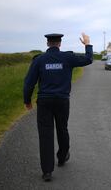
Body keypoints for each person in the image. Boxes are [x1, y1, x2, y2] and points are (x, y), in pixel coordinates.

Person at [23, 32, 93, 182]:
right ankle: (62, 157)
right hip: (62, 101)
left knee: (45, 135)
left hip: (44, 102)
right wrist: (87, 44)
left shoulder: (39, 60)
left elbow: (29, 83)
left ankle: (47, 171)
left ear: (48, 44)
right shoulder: (67, 57)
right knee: (62, 128)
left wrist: (27, 100)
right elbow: (88, 59)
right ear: (60, 44)